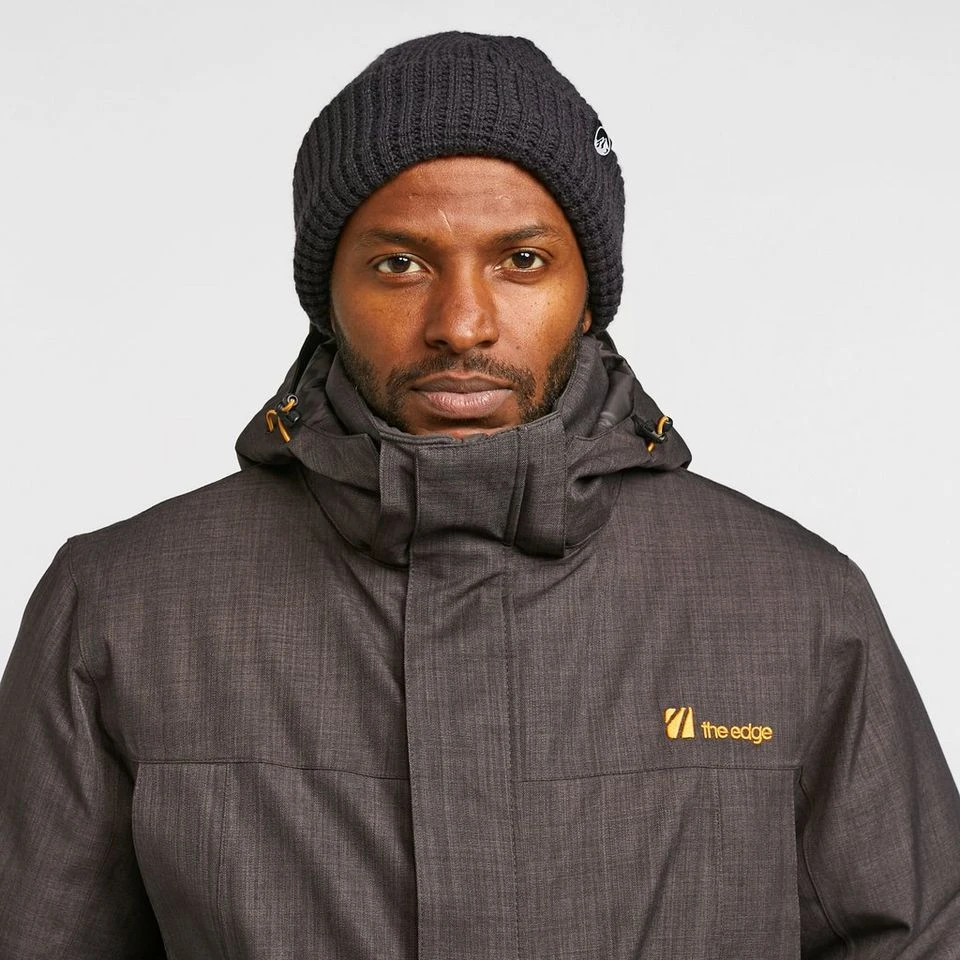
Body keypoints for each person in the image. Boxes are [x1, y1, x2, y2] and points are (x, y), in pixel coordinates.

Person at [1, 29, 958, 959]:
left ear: (591, 295)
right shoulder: (122, 608)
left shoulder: (791, 605)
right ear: (327, 296)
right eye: (400, 263)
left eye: (522, 260)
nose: (461, 324)